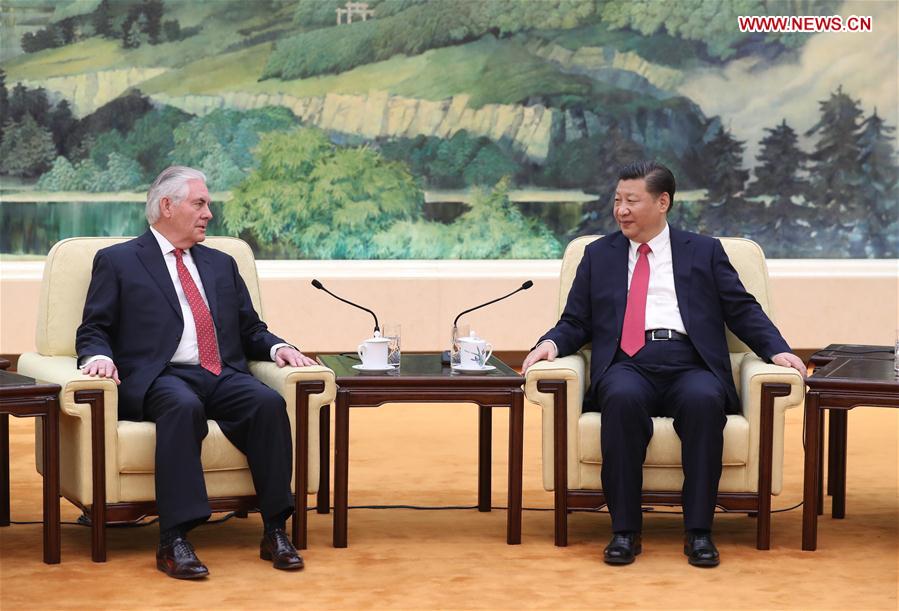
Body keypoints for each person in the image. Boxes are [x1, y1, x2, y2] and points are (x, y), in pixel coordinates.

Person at [522, 160, 806, 568]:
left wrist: (777, 349)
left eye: (632, 201)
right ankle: (624, 531)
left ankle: (699, 532)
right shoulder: (598, 254)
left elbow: (742, 310)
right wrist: (549, 343)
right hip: (626, 364)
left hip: (689, 362)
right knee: (618, 400)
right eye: (617, 200)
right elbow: (576, 321)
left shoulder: (704, 251)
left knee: (705, 402)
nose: (621, 209)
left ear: (662, 202)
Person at [77, 166, 318, 580]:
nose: (209, 213)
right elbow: (94, 326)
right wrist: (96, 356)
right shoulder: (119, 261)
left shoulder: (221, 264)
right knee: (182, 407)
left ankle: (276, 529)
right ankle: (175, 539)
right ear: (167, 206)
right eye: (200, 203)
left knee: (267, 403)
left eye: (208, 204)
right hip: (161, 376)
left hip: (220, 372)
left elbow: (250, 329)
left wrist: (280, 347)